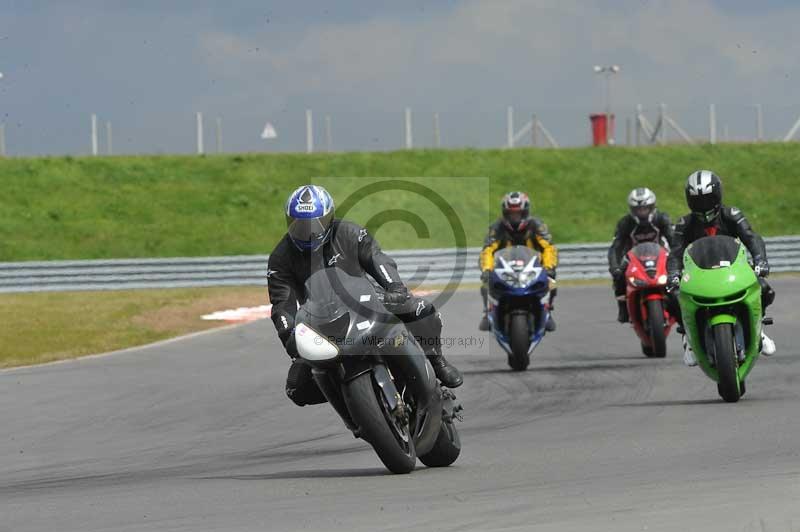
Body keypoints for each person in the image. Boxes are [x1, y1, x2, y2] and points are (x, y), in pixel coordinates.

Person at [268, 185, 463, 407]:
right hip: (321, 318)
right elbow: (282, 303)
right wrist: (289, 334)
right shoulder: (280, 258)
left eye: (315, 224)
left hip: (368, 299)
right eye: (299, 225)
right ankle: (349, 403)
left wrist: (395, 287)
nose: (307, 232)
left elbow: (375, 258)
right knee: (297, 388)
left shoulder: (348, 232)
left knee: (421, 310)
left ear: (329, 218)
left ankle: (436, 360)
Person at [667, 170, 776, 366]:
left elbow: (752, 238)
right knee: (672, 297)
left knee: (764, 288)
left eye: (708, 199)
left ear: (718, 195)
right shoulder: (684, 224)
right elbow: (675, 253)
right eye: (698, 201)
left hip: (733, 270)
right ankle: (688, 339)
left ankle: (759, 329)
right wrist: (673, 274)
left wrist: (761, 260)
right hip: (699, 276)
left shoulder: (732, 215)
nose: (704, 206)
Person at [478, 191, 558, 331]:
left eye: (518, 214)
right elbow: (487, 251)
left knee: (552, 283)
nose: (514, 217)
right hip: (504, 269)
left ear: (525, 212)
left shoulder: (536, 225)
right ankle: (487, 314)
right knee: (486, 284)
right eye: (511, 214)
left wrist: (549, 267)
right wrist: (487, 269)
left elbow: (548, 248)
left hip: (532, 268)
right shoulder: (497, 228)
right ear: (505, 213)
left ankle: (548, 313)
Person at [607, 187, 675, 323]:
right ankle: (623, 307)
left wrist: (677, 259)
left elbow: (674, 240)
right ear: (632, 210)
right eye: (638, 210)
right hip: (633, 259)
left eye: (645, 208)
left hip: (660, 257)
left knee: (675, 277)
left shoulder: (662, 218)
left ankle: (677, 307)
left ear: (652, 207)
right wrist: (615, 267)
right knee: (619, 275)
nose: (642, 212)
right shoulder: (625, 223)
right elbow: (615, 248)